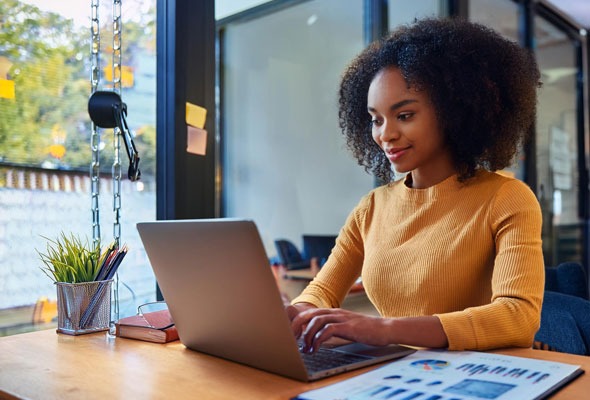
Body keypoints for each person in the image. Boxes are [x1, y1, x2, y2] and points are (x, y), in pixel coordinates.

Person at [287, 17, 544, 354]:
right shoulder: (372, 208)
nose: (385, 135)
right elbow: (320, 291)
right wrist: (300, 313)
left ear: (455, 111)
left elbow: (518, 317)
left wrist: (383, 329)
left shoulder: (507, 198)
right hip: (391, 372)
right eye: (376, 120)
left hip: (471, 377)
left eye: (404, 115)